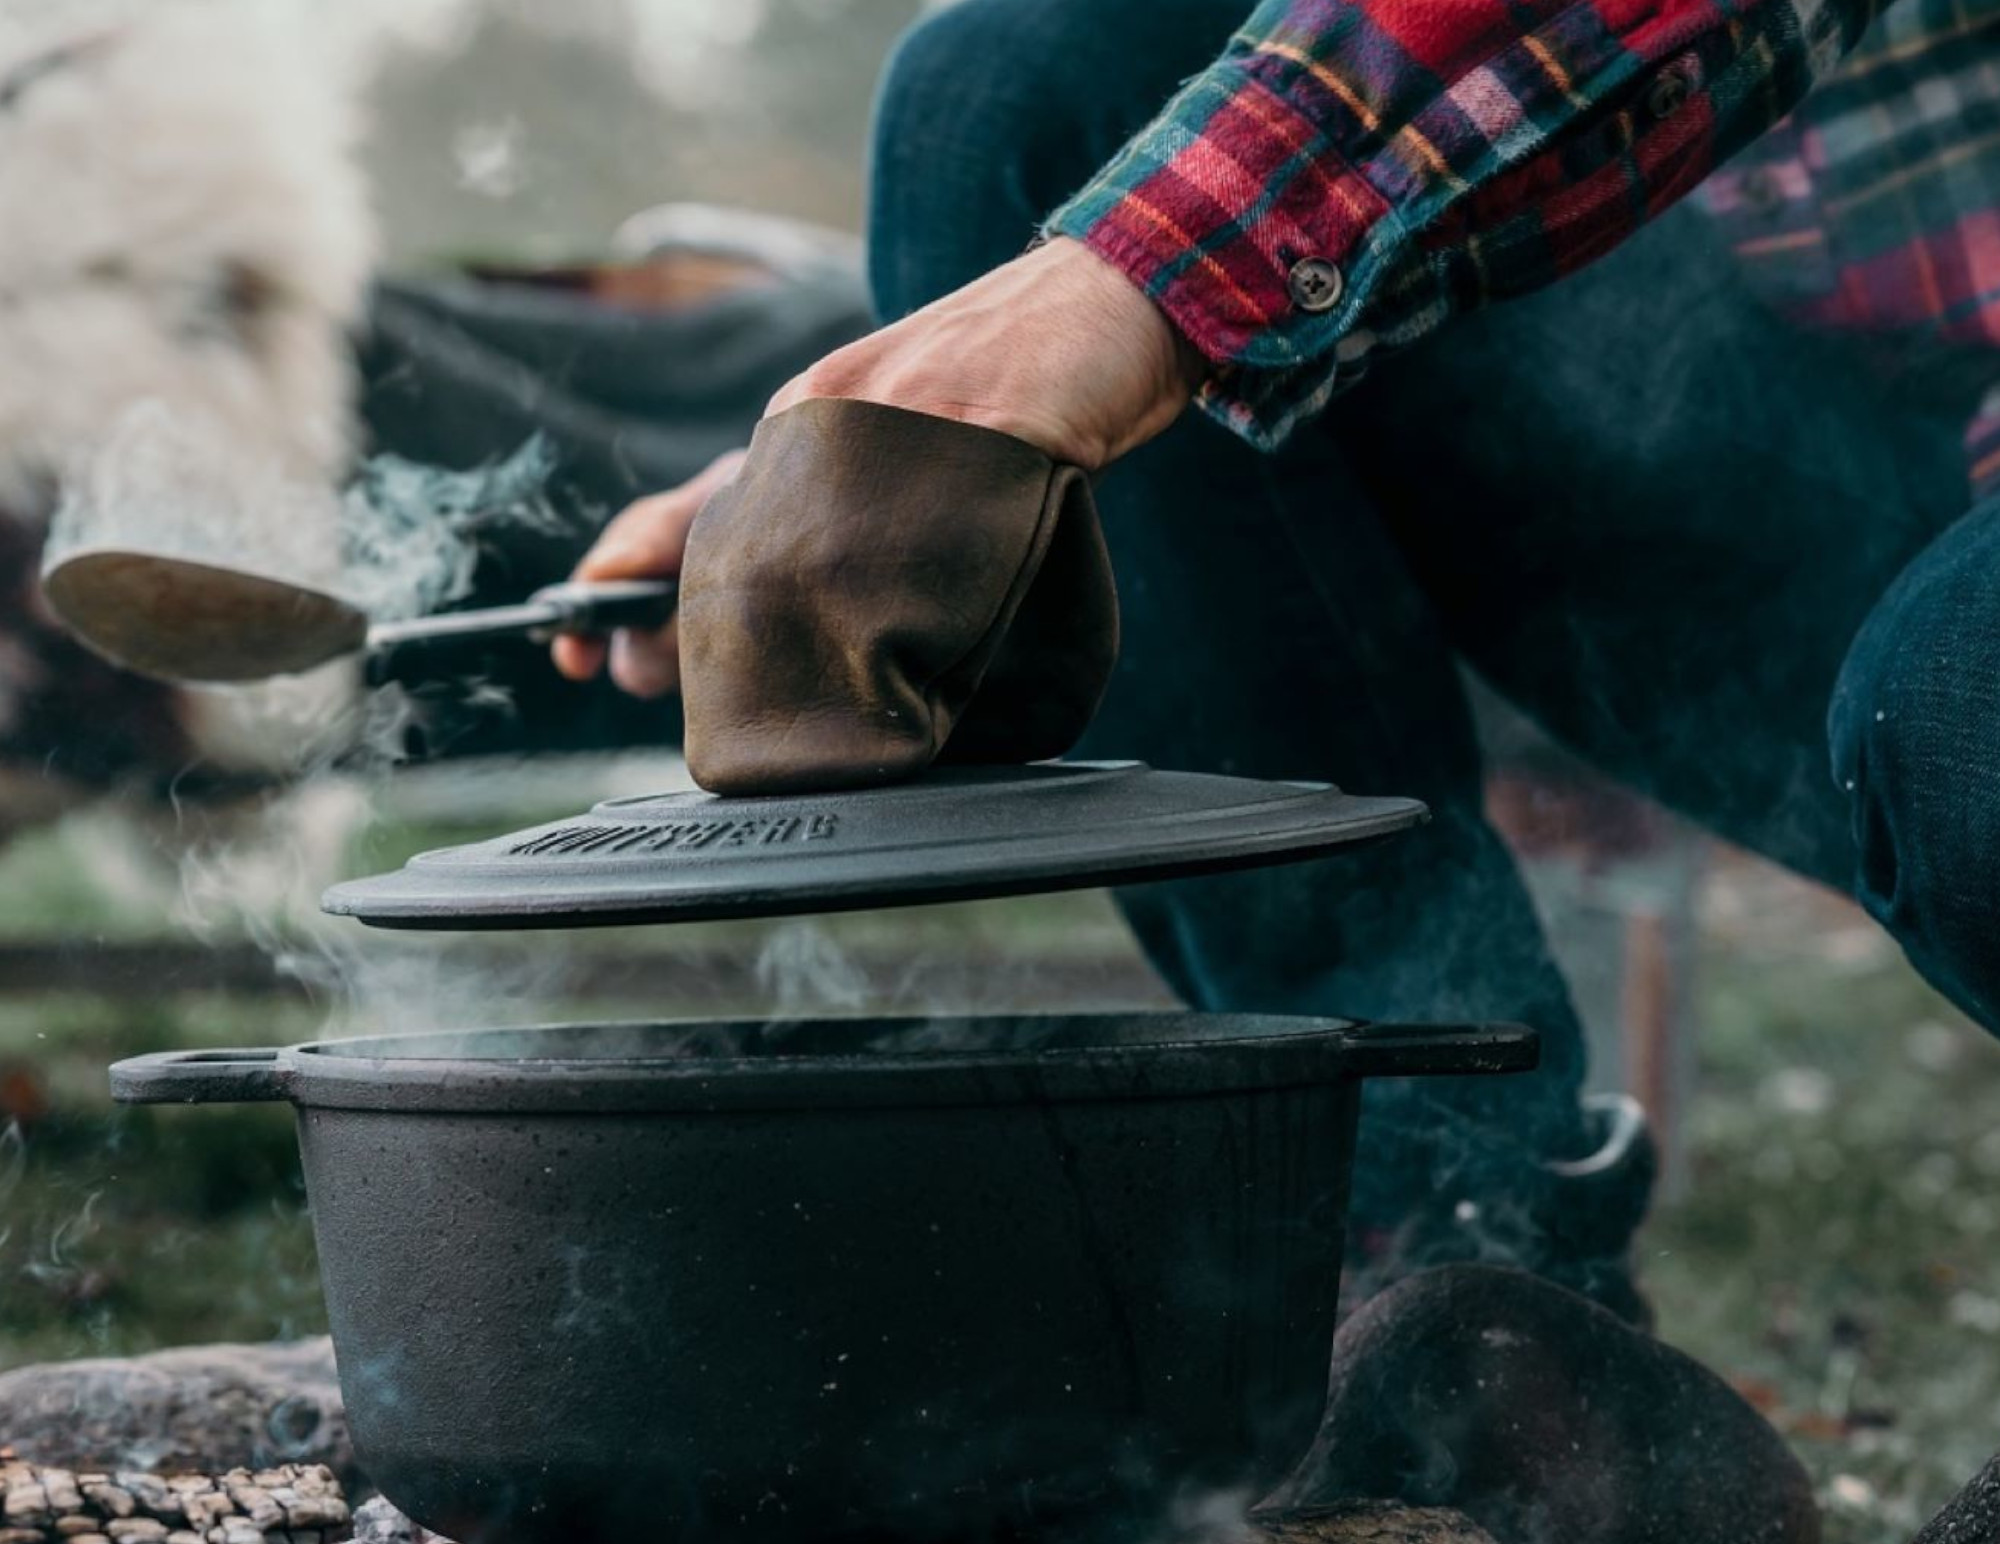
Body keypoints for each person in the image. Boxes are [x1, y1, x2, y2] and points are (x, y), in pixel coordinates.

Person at [549, 0, 2000, 1325]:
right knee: (1014, 86)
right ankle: (1468, 1272)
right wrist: (869, 460)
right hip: (1820, 452)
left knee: (1961, 709)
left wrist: (1138, 285)